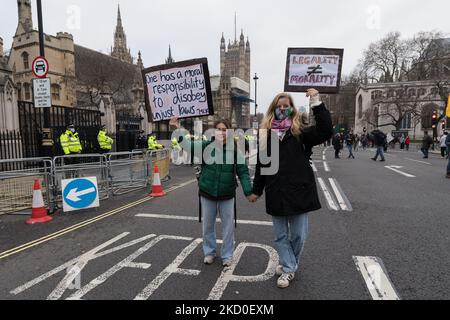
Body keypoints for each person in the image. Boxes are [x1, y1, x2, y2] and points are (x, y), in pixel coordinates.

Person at [248, 89, 333, 289]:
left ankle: (288, 265)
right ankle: (289, 267)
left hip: (299, 192)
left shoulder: (300, 132)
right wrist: (256, 190)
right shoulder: (266, 136)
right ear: (273, 110)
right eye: (279, 106)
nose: (282, 109)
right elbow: (262, 166)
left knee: (298, 235)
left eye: (286, 106)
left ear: (292, 109)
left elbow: (325, 130)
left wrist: (316, 102)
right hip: (276, 191)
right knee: (280, 235)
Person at [170, 117, 253, 268]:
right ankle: (209, 252)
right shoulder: (206, 146)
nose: (221, 132)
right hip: (207, 192)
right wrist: (177, 128)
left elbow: (243, 172)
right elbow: (188, 146)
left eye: (224, 129)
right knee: (207, 226)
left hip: (227, 194)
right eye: (219, 129)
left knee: (228, 227)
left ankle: (227, 255)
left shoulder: (235, 150)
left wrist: (249, 192)